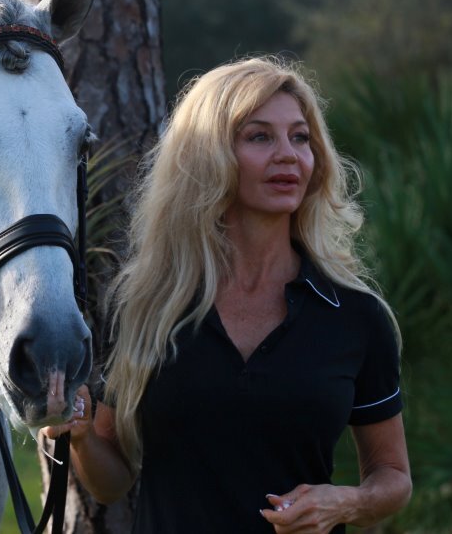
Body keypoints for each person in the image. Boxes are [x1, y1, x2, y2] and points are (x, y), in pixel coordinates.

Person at [48, 57, 411, 533]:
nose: (288, 154)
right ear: (206, 155)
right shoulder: (146, 306)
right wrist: (78, 439)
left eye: (300, 137)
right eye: (259, 136)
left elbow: (394, 477)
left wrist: (344, 502)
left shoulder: (354, 315)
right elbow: (111, 482)